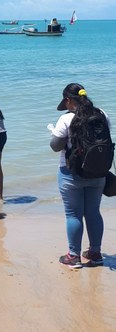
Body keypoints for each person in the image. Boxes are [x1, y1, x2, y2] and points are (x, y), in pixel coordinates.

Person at [50, 83, 108, 268]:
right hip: (98, 172)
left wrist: (54, 133)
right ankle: (95, 253)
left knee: (73, 215)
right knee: (93, 213)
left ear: (68, 100)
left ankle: (73, 256)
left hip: (71, 174)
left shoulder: (66, 118)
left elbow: (55, 146)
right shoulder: (101, 114)